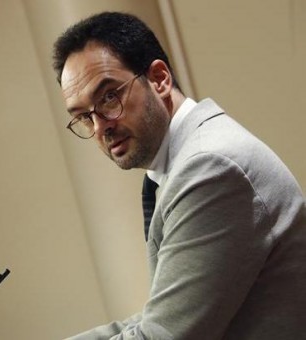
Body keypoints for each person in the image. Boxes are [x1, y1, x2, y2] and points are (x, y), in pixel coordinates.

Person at [52, 12, 306, 339]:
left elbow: (162, 334)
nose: (101, 126)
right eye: (84, 117)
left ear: (159, 78)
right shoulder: (186, 161)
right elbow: (159, 315)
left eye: (109, 98)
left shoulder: (210, 168)